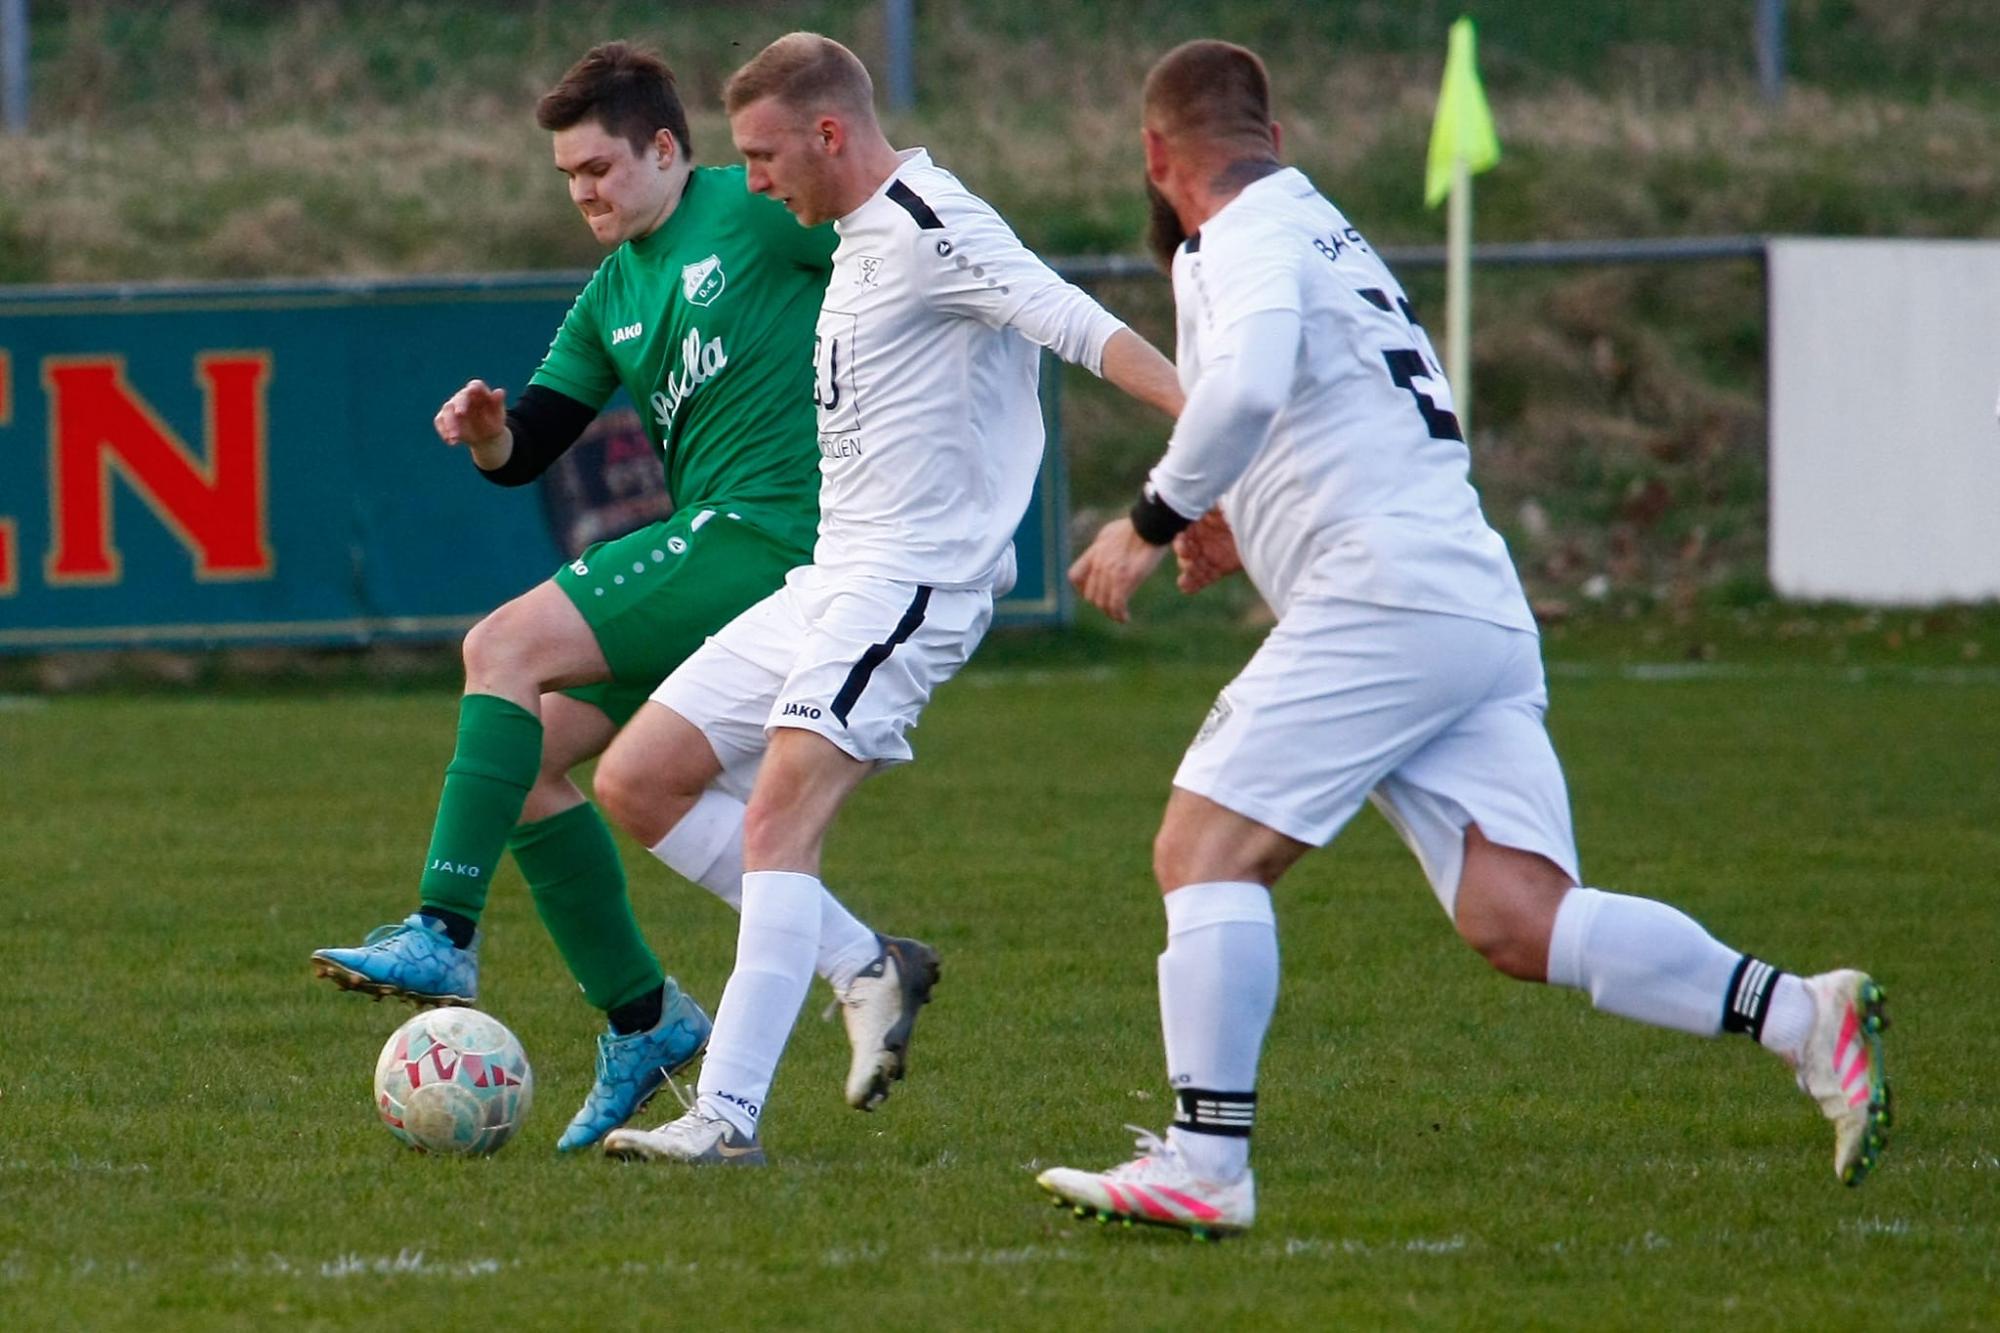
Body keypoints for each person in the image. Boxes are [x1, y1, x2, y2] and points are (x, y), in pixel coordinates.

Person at [1036, 39, 1891, 1237]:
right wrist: (1236, 512)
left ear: (1152, 155)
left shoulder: (1240, 238)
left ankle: (1205, 1160)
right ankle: (1806, 1016)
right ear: (1272, 138)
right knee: (1517, 914)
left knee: (1201, 854)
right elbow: (1313, 401)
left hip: (1380, 596)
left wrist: (1149, 521)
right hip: (1463, 600)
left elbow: (1242, 390)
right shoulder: (1315, 225)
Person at [309, 41, 927, 1154]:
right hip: (718, 556)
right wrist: (491, 431)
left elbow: (895, 229)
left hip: (775, 537)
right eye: (567, 177)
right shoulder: (612, 292)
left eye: (598, 167)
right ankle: (644, 1020)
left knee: (500, 646)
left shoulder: (755, 208)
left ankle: (443, 929)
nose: (584, 191)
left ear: (663, 148)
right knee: (537, 756)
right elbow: (531, 445)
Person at [596, 31, 1184, 1165]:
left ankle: (724, 1119)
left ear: (829, 133)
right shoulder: (851, 235)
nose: (753, 182)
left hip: (913, 584)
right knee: (639, 777)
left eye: (764, 157)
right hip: (829, 576)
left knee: (775, 823)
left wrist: (1205, 458)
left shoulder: (935, 225)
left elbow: (1081, 326)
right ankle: (867, 962)